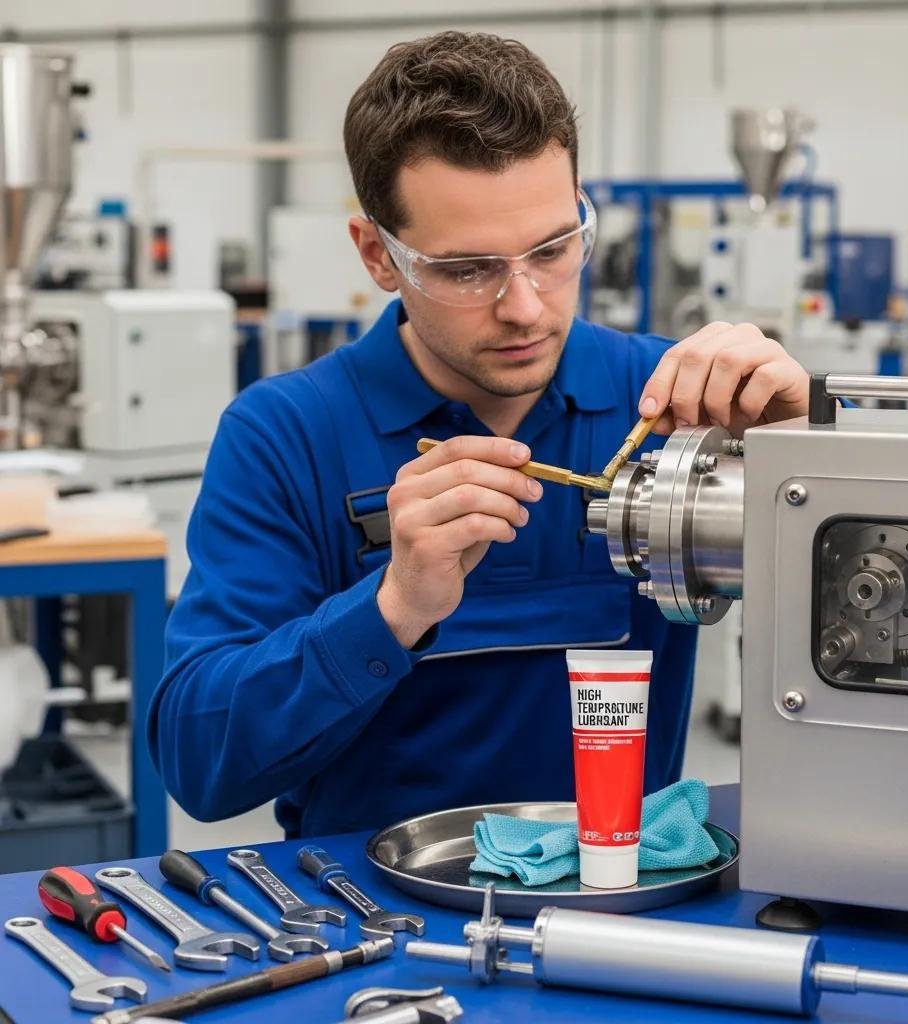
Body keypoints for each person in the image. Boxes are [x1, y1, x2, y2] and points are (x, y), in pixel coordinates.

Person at [149, 31, 809, 837]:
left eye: (555, 248)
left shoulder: (678, 408)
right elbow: (199, 761)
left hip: (621, 902)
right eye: (467, 270)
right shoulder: (287, 434)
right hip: (373, 926)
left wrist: (813, 462)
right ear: (378, 256)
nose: (526, 306)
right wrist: (393, 607)